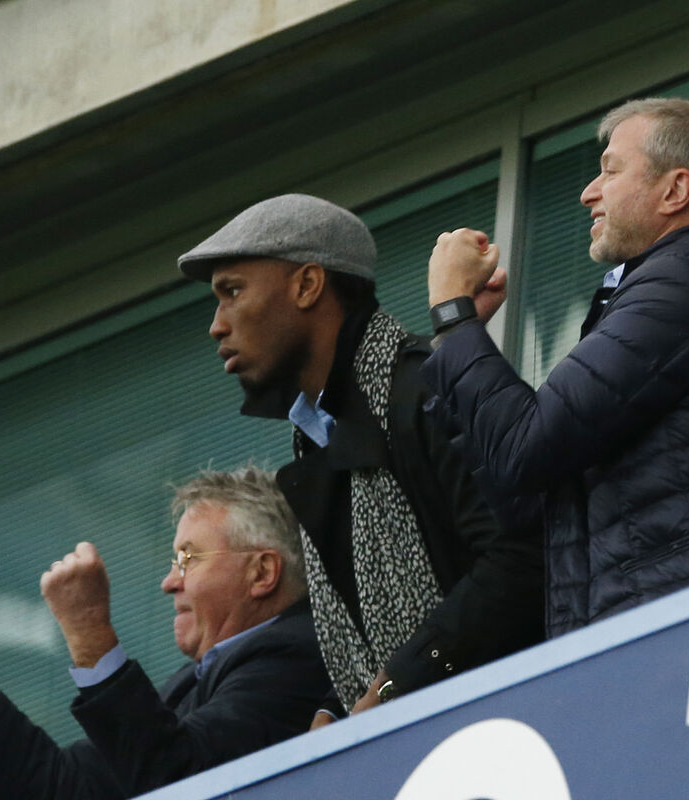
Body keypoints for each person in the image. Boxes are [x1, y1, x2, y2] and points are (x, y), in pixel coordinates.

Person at [422, 97, 689, 638]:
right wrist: (459, 337)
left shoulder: (681, 285)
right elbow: (528, 500)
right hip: (674, 627)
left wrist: (453, 317)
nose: (588, 193)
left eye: (611, 171)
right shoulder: (676, 287)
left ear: (675, 191)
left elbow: (525, 445)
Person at [177, 194, 543, 721]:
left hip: (512, 720)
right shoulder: (317, 437)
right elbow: (370, 625)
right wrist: (336, 708)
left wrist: (397, 685)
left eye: (232, 292)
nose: (217, 324)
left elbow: (523, 556)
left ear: (307, 285)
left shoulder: (422, 388)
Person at [0, 466, 329, 799]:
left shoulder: (299, 654)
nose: (169, 582)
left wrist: (89, 632)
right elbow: (60, 787)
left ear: (262, 572)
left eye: (188, 559)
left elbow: (183, 782)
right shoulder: (189, 683)